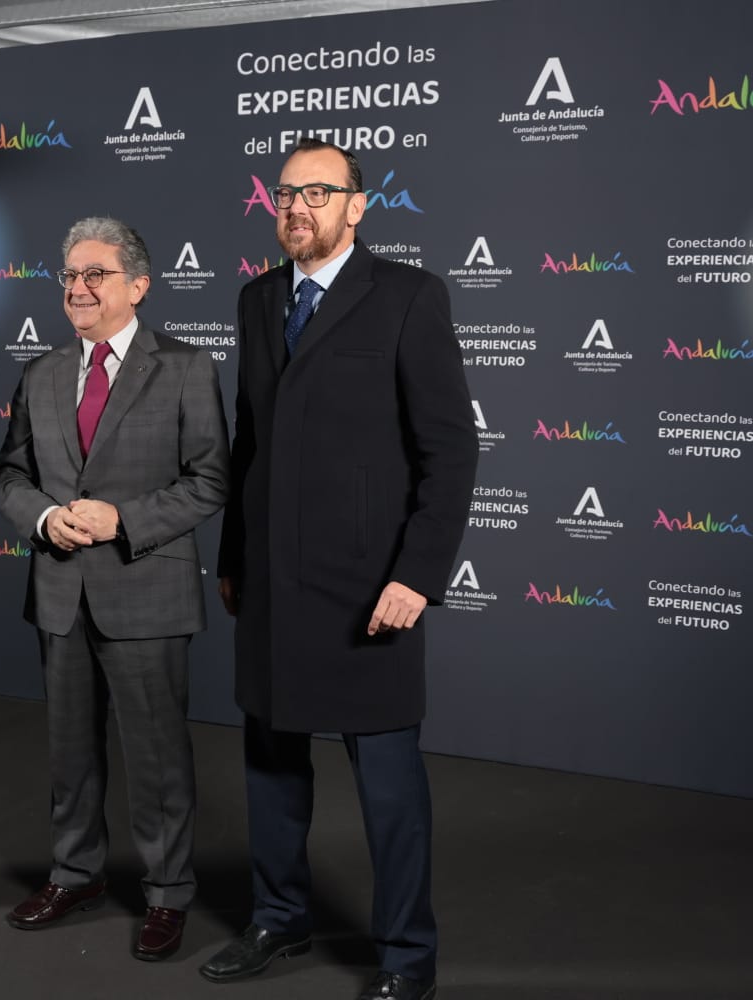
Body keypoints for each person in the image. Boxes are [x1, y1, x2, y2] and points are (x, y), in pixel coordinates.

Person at [200, 139, 478, 1000]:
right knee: (272, 769)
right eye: (283, 195)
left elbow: (450, 449)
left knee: (389, 789)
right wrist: (233, 559)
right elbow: (250, 442)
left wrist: (417, 577)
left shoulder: (406, 296)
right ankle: (278, 919)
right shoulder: (254, 300)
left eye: (317, 193)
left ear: (358, 206)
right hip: (273, 586)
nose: (295, 208)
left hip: (371, 591)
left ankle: (407, 957)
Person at [0, 216, 229, 961]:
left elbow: (210, 480)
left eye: (95, 274)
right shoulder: (42, 373)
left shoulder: (187, 368)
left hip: (146, 593)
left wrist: (122, 519)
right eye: (68, 275)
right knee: (70, 753)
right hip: (61, 593)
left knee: (157, 757)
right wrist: (46, 516)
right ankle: (76, 873)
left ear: (138, 284)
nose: (78, 288)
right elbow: (10, 476)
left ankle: (167, 895)